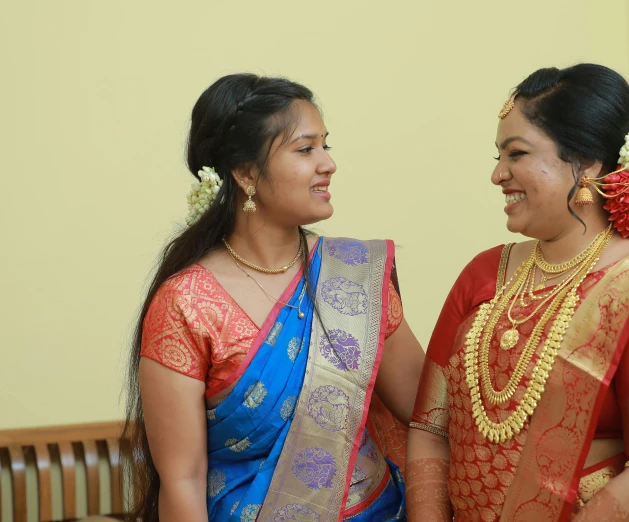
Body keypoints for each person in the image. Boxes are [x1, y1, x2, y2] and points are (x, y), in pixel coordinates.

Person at [405, 64, 629, 522]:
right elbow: (429, 428)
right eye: (498, 156)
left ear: (587, 162)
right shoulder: (483, 274)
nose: (497, 175)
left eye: (517, 154)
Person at [125, 73, 423, 522]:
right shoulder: (187, 303)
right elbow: (183, 479)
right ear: (246, 174)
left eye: (326, 145)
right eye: (305, 150)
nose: (328, 163)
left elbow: (428, 409)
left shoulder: (353, 276)